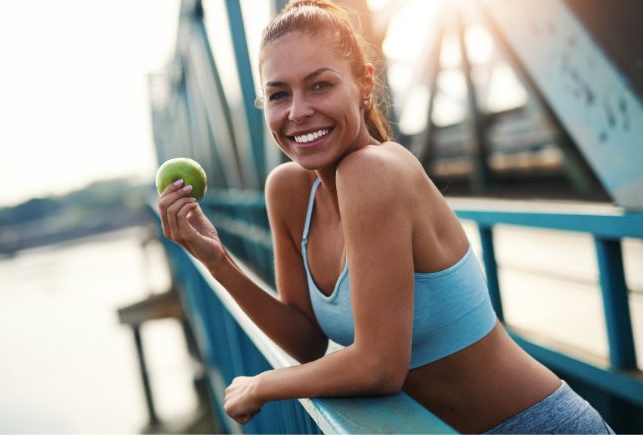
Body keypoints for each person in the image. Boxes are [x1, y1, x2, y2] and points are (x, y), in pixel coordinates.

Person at [157, 0, 614, 433]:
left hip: (534, 424)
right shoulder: (289, 189)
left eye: (320, 85)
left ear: (365, 84)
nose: (298, 112)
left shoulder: (373, 171)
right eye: (279, 94)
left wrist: (263, 384)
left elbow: (378, 368)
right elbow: (306, 342)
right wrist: (217, 260)